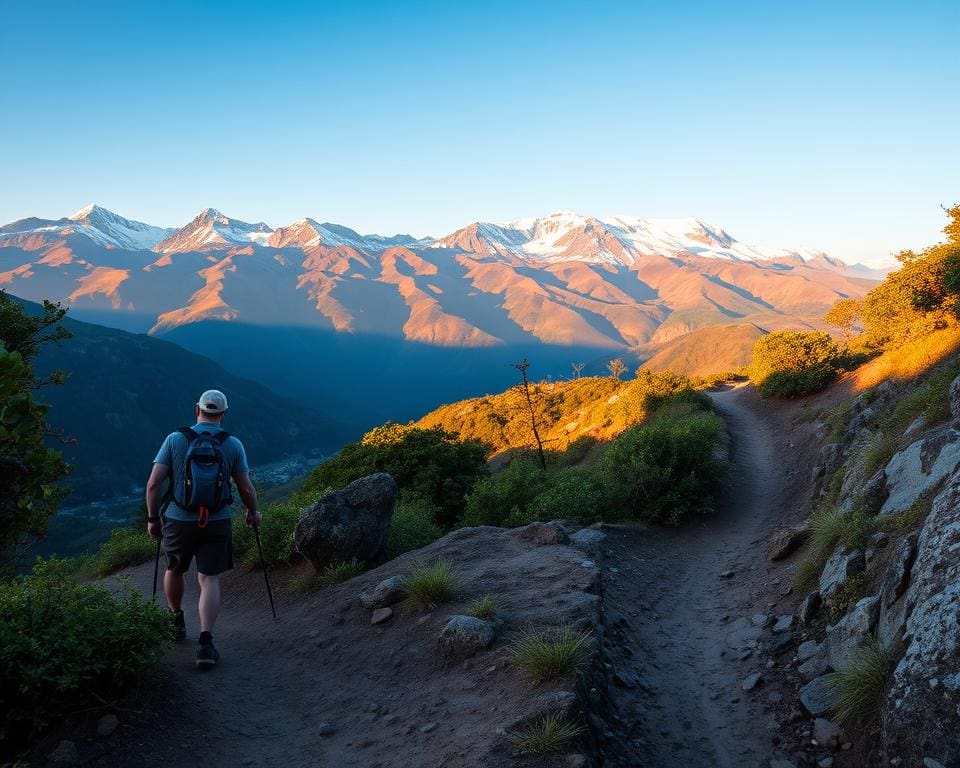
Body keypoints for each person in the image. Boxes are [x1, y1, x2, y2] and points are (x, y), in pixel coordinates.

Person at [145, 389, 260, 669]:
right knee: (209, 579)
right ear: (224, 413)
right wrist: (252, 512)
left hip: (178, 518)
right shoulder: (232, 444)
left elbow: (153, 484)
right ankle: (206, 643)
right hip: (217, 520)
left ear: (197, 409)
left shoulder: (175, 439)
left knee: (174, 569)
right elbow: (245, 487)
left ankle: (176, 620)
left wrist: (152, 519)